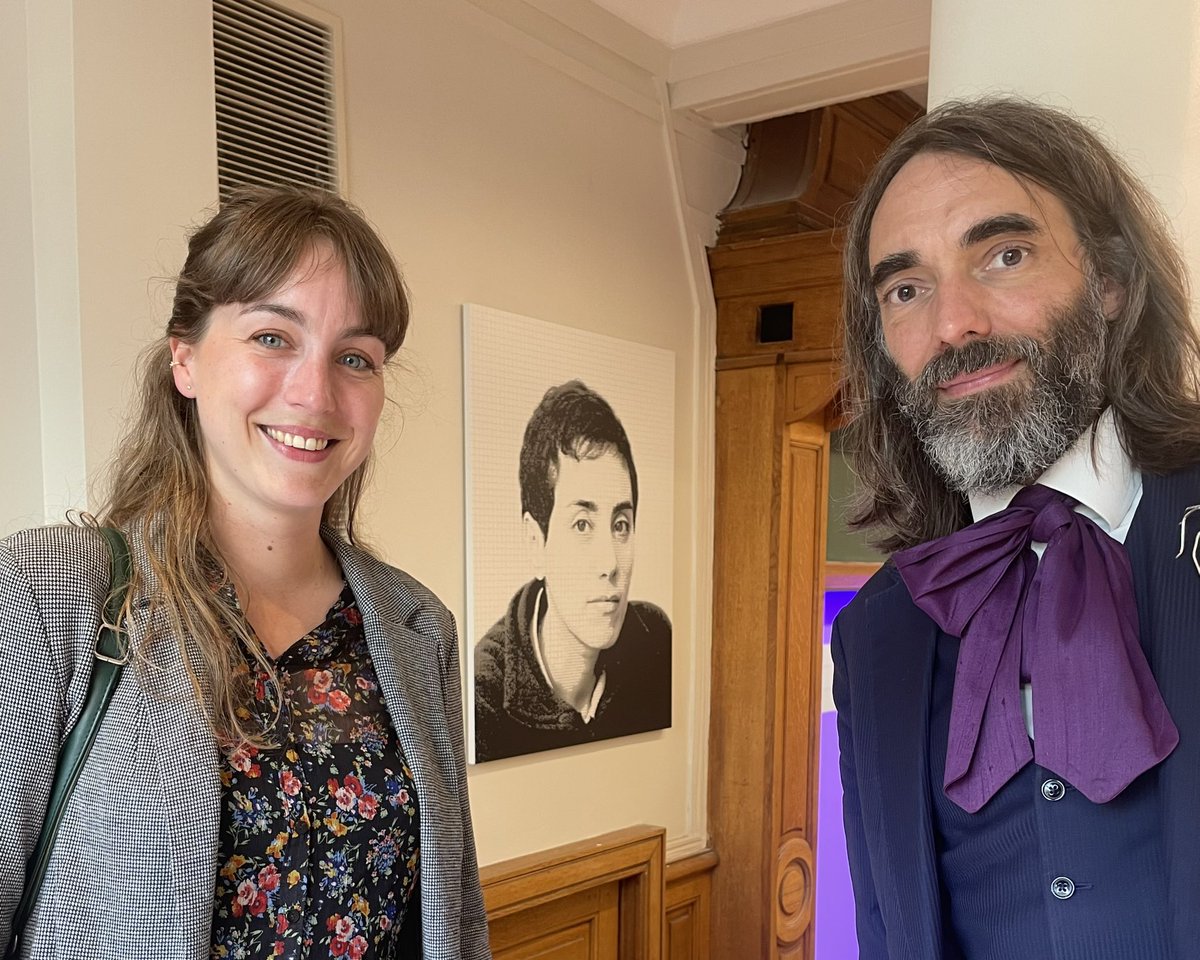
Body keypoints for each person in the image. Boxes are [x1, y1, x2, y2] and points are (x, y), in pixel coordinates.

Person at [0, 185, 491, 959]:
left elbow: (452, 918)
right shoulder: (51, 593)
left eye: (354, 358)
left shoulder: (416, 627)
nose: (314, 392)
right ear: (185, 359)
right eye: (272, 338)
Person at [833, 97, 1200, 960]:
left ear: (1111, 282)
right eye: (907, 288)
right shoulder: (875, 634)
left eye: (1004, 254)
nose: (954, 323)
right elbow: (890, 929)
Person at [472, 381, 671, 763]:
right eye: (582, 524)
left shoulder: (655, 640)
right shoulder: (485, 694)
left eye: (621, 524)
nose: (610, 563)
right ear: (536, 542)